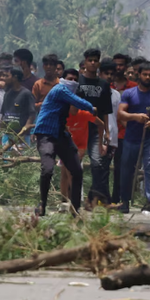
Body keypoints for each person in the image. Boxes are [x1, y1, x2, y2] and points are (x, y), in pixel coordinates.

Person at [33, 68, 95, 216]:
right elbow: (79, 103)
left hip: (61, 134)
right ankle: (42, 204)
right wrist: (92, 108)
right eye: (69, 78)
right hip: (46, 134)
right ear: (62, 78)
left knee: (77, 171)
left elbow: (72, 110)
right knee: (47, 169)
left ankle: (75, 208)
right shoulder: (60, 89)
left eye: (75, 79)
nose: (72, 82)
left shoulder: (68, 93)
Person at [118, 62, 150, 214]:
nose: (147, 77)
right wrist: (135, 117)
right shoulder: (128, 93)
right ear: (139, 75)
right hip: (131, 138)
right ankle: (124, 201)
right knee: (126, 170)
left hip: (149, 139)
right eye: (144, 74)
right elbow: (121, 114)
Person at [77, 48, 112, 205]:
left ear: (98, 63)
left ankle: (95, 199)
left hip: (96, 130)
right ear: (85, 62)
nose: (92, 63)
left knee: (97, 164)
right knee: (73, 165)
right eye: (89, 60)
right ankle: (71, 199)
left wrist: (107, 132)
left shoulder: (103, 85)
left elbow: (105, 111)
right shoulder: (77, 82)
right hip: (78, 130)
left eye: (95, 60)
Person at [110, 53, 138, 204]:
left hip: (125, 133)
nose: (118, 67)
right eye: (116, 64)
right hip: (108, 132)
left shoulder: (133, 88)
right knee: (103, 168)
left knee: (122, 168)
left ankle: (121, 199)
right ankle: (103, 198)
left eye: (121, 64)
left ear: (126, 67)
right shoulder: (106, 85)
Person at [98, 59, 120, 203]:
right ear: (100, 74)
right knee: (99, 169)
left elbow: (115, 116)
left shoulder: (117, 95)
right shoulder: (95, 92)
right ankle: (102, 199)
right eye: (106, 73)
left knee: (105, 169)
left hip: (111, 136)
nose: (109, 77)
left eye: (112, 74)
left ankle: (102, 200)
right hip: (96, 136)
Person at [0, 68, 36, 149]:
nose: (4, 78)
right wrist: (0, 134)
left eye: (7, 76)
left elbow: (32, 114)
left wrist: (24, 130)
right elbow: (3, 114)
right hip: (7, 135)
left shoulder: (26, 94)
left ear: (15, 77)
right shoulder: (7, 93)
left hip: (21, 137)